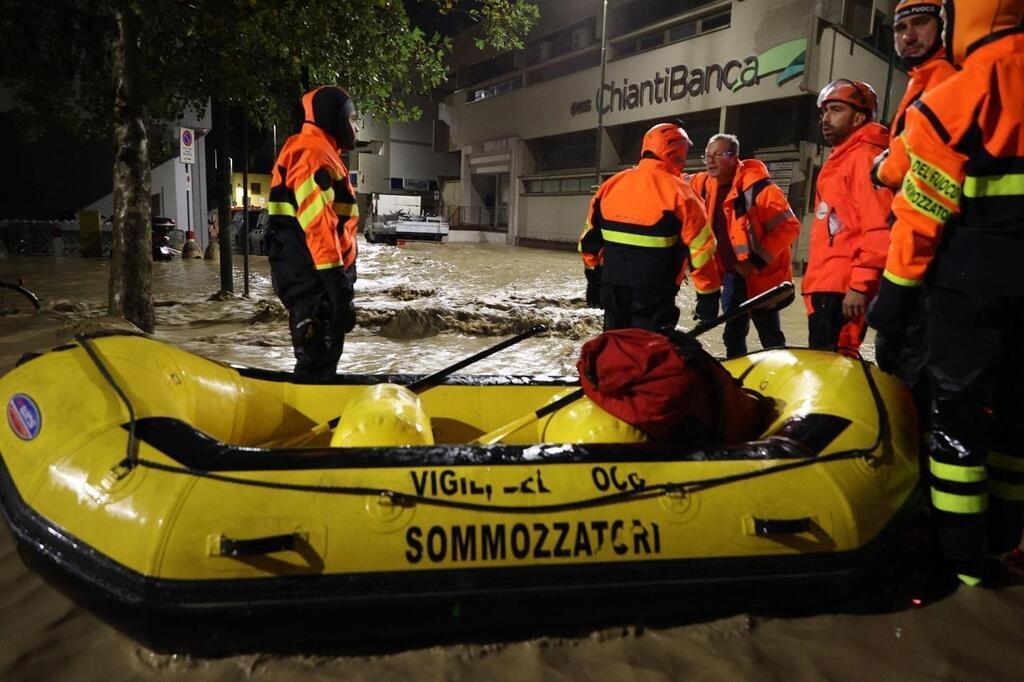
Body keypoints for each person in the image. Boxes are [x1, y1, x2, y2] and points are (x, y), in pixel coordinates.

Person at [867, 0, 1024, 587]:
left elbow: (922, 210)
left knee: (956, 421)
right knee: (1014, 420)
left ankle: (962, 570)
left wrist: (894, 301)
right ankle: (1008, 542)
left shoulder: (957, 93)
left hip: (967, 283)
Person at [870, 0, 958, 422]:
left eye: (920, 24)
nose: (907, 35)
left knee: (918, 380)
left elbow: (910, 171)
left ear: (944, 25)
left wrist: (882, 168)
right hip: (925, 252)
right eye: (900, 27)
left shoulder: (944, 80)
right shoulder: (922, 80)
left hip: (932, 256)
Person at [579, 122, 720, 331]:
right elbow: (701, 250)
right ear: (677, 152)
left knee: (614, 346)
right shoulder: (683, 193)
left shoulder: (610, 185)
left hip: (612, 288)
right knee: (649, 354)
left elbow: (589, 241)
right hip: (655, 293)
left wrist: (594, 280)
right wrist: (708, 296)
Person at [266, 86, 360, 378]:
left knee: (318, 363)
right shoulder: (314, 155)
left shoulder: (315, 152)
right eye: (353, 118)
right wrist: (339, 293)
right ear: (334, 118)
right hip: (316, 284)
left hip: (312, 282)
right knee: (317, 367)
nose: (356, 126)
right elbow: (320, 228)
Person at [802, 79, 893, 355]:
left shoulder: (864, 157)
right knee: (825, 367)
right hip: (827, 284)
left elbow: (880, 226)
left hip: (842, 288)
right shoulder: (843, 157)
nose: (826, 118)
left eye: (836, 110)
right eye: (824, 111)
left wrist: (860, 284)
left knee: (836, 366)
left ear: (859, 117)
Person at [689, 134, 800, 358]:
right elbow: (678, 180)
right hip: (733, 274)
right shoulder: (705, 183)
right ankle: (737, 377)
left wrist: (755, 262)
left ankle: (778, 374)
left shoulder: (759, 188)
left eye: (717, 155)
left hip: (761, 274)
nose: (710, 161)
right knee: (734, 334)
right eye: (707, 156)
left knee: (769, 333)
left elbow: (788, 227)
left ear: (734, 158)